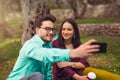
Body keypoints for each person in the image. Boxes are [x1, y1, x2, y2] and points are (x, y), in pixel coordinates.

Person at [7, 13, 100, 80]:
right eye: (47, 29)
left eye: (52, 29)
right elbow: (45, 54)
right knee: (37, 76)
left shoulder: (48, 46)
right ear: (37, 30)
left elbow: (48, 73)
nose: (51, 32)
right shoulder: (30, 45)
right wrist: (73, 53)